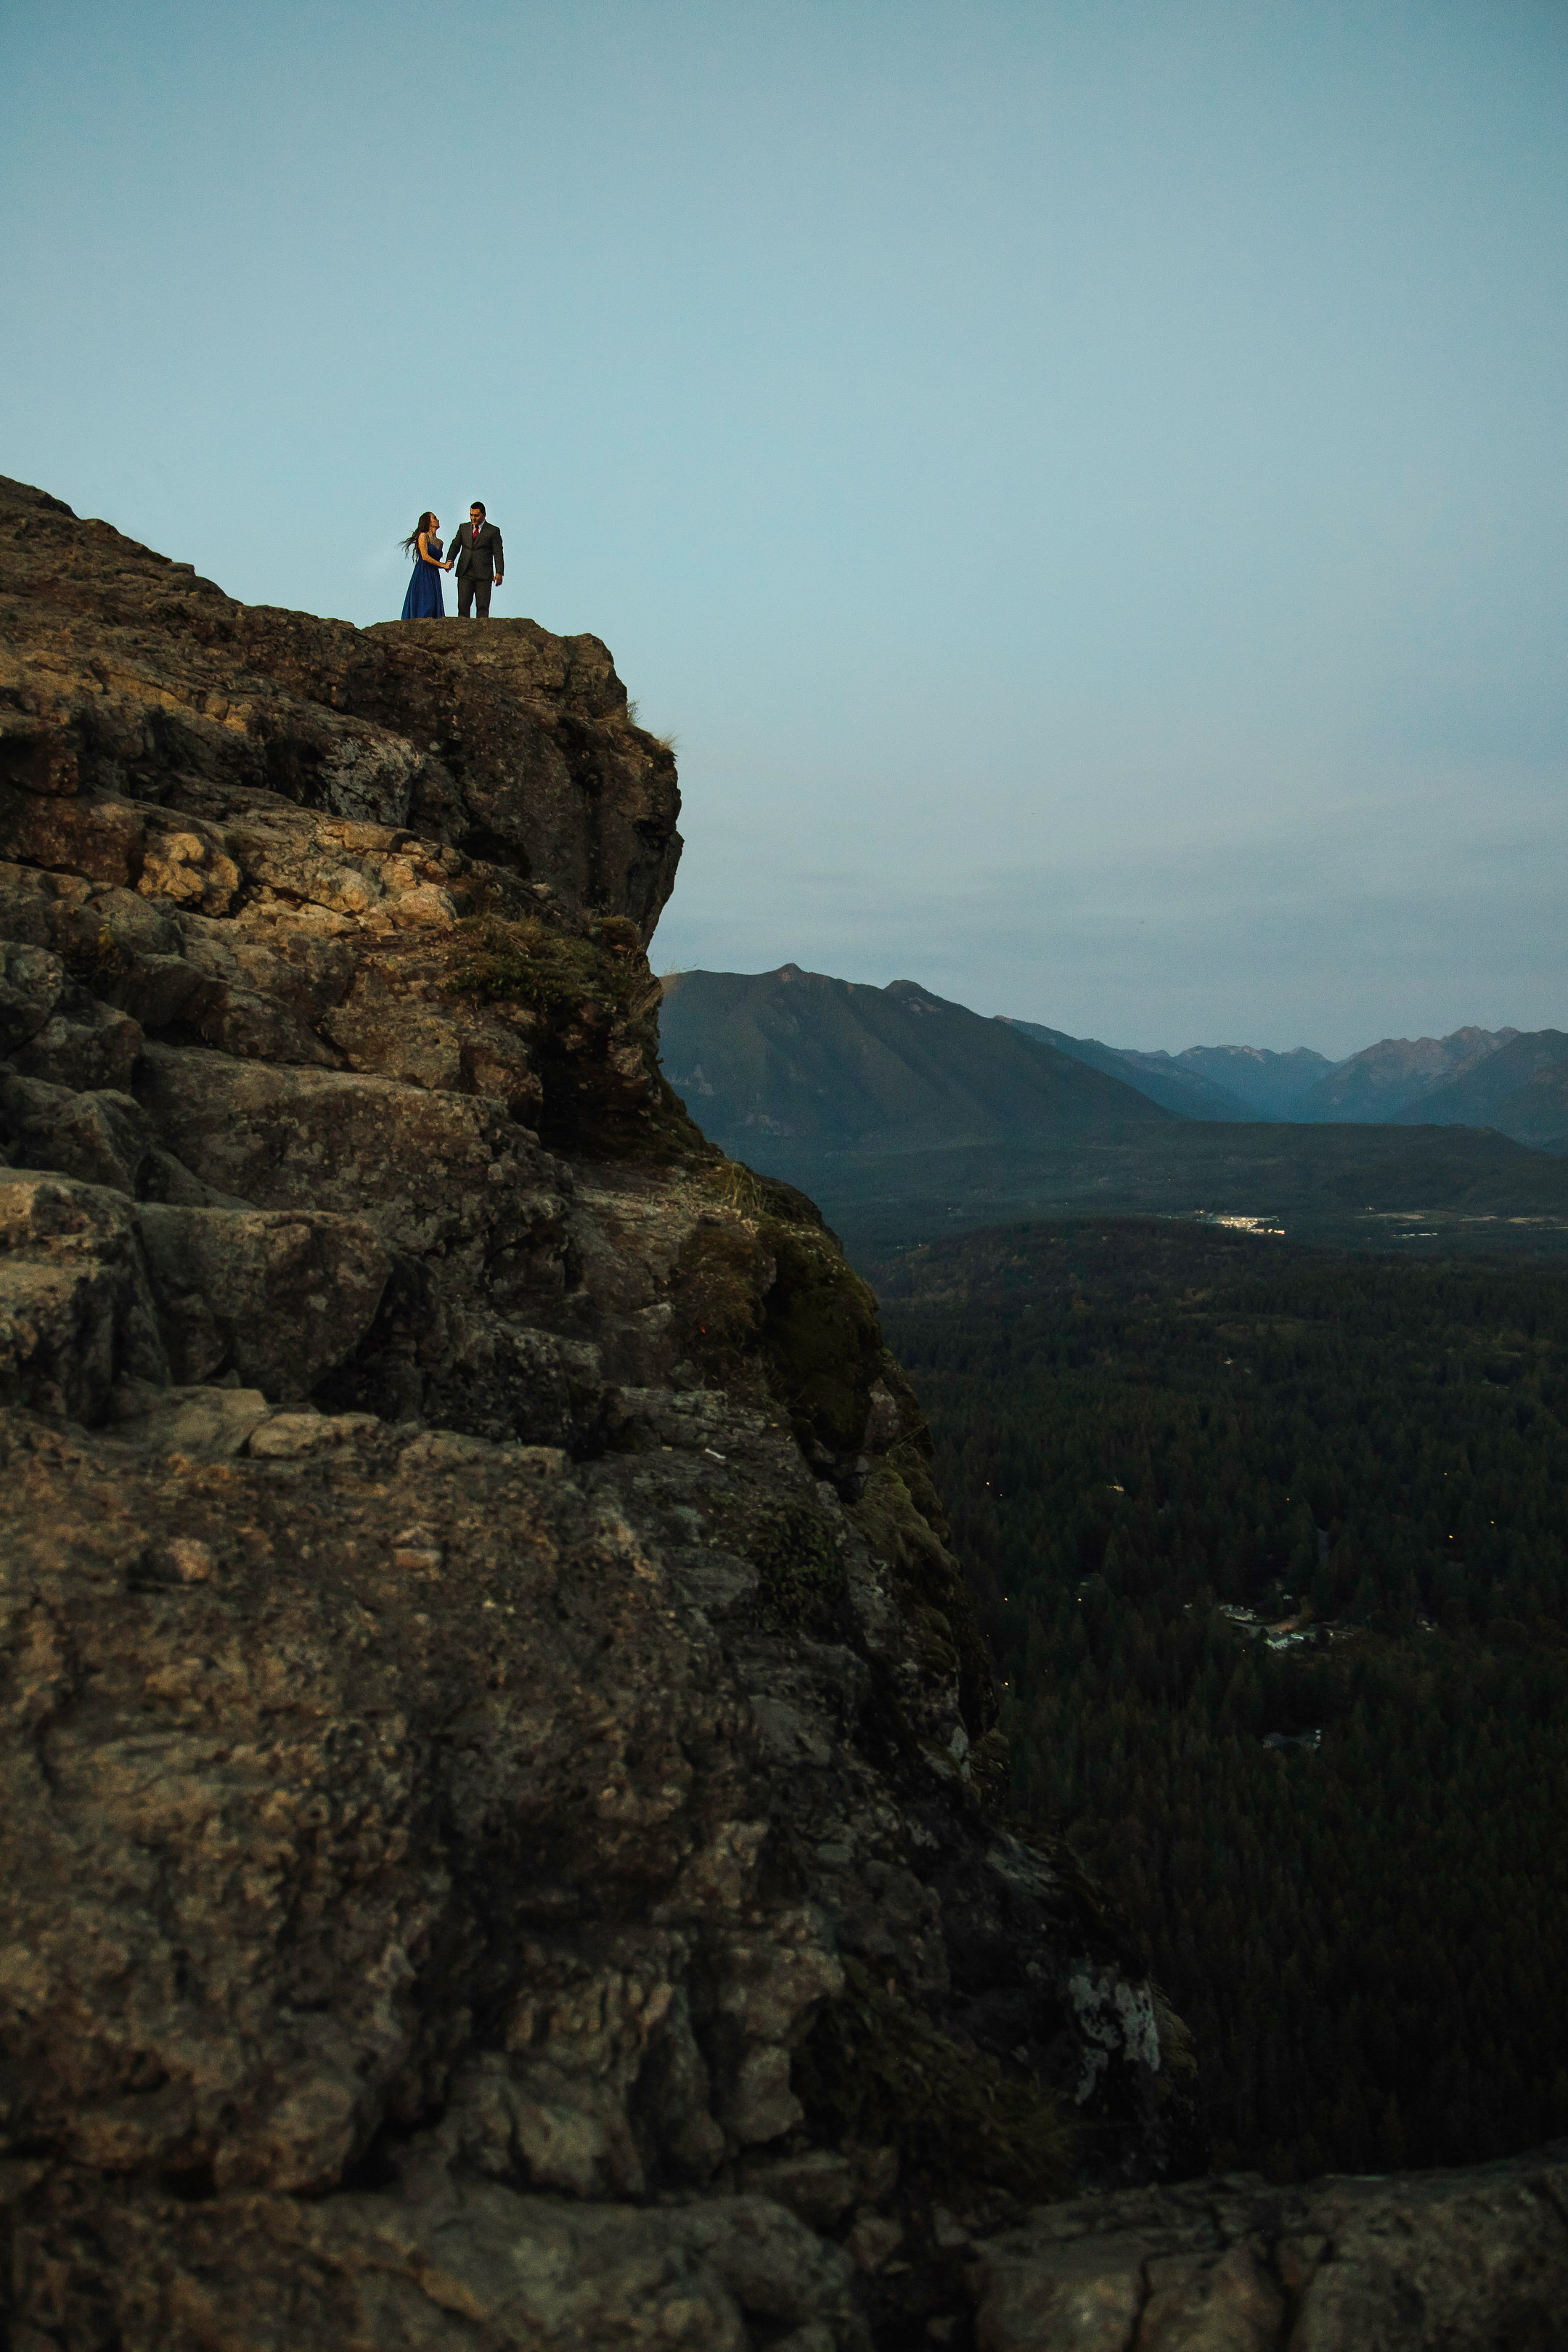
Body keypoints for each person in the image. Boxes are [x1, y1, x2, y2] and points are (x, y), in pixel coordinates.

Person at [449, 502, 505, 618]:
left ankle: (483, 635)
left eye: (476, 515)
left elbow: (498, 553)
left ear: (484, 515)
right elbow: (455, 545)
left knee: (483, 608)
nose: (473, 518)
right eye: (471, 515)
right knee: (463, 606)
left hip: (484, 574)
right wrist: (450, 560)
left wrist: (499, 572)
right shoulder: (463, 528)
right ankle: (462, 634)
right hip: (465, 572)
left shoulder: (493, 531)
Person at [399, 513, 452, 619]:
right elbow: (425, 557)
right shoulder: (423, 536)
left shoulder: (440, 542)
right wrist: (443, 566)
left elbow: (436, 559)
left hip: (434, 574)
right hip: (423, 573)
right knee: (426, 601)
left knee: (433, 601)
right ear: (428, 522)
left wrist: (448, 564)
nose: (437, 520)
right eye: (434, 518)